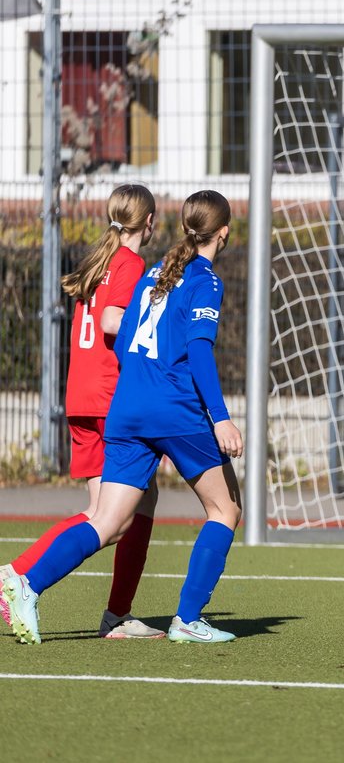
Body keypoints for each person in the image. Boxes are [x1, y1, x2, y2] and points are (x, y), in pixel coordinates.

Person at [2, 190, 244, 645]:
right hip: (174, 410)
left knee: (107, 521)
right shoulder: (206, 280)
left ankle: (27, 582)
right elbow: (198, 351)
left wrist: (138, 388)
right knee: (225, 508)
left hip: (126, 408)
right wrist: (220, 418)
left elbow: (127, 333)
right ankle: (187, 620)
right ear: (224, 232)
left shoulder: (155, 271)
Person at [0, 184, 163, 639]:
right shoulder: (129, 263)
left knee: (127, 504)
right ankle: (21, 576)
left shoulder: (98, 261)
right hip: (111, 401)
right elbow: (112, 320)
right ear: (149, 222)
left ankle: (116, 615)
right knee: (112, 520)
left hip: (82, 396)